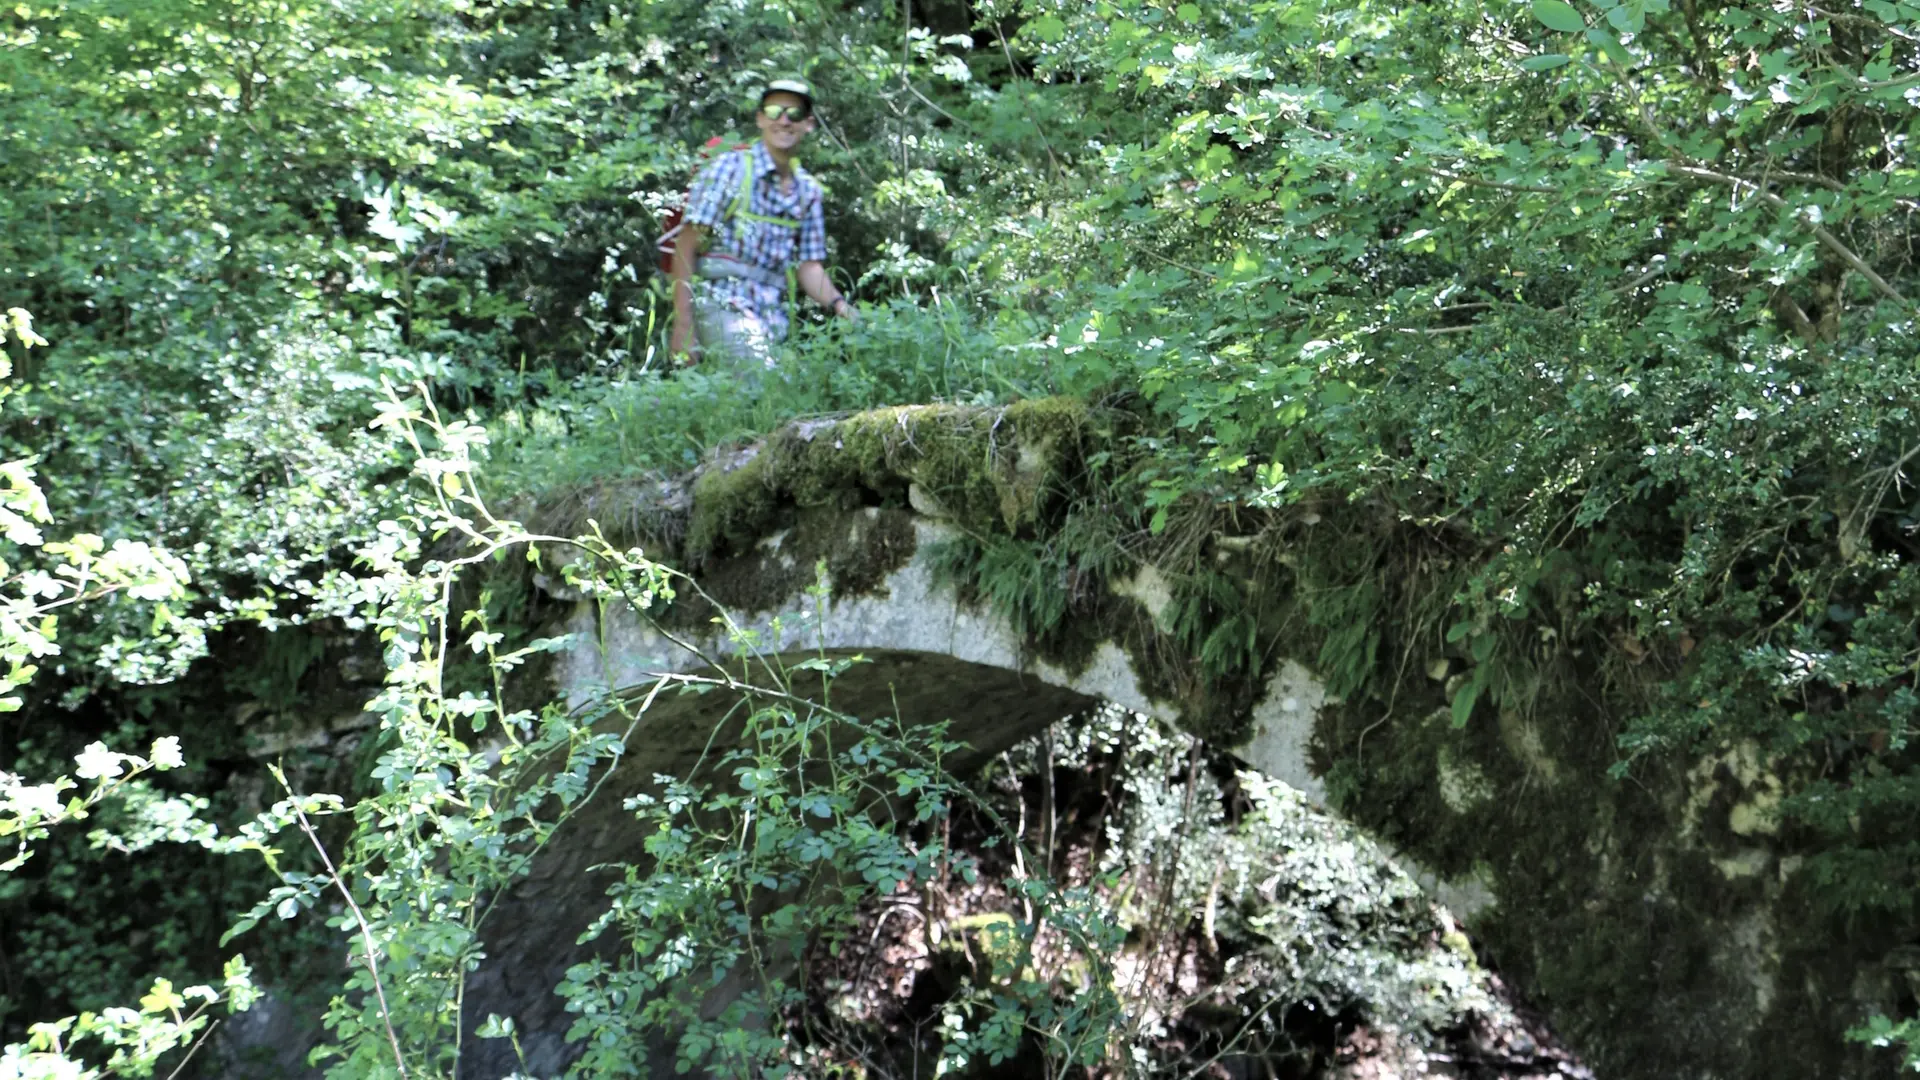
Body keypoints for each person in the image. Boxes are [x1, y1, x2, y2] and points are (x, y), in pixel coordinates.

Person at [668, 77, 856, 369]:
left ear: (808, 124)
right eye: (773, 112)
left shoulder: (806, 191)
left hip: (772, 317)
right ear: (760, 119)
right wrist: (683, 325)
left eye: (793, 114)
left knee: (781, 397)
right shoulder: (729, 169)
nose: (783, 121)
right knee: (758, 381)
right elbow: (686, 245)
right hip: (721, 303)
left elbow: (809, 267)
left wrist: (842, 308)